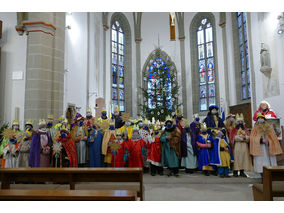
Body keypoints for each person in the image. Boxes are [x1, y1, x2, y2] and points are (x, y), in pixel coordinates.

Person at [250, 113, 282, 179]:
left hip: (268, 148)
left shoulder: (269, 127)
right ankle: (263, 178)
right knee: (261, 163)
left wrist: (269, 141)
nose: (260, 119)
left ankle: (272, 177)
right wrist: (261, 140)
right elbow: (253, 138)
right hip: (260, 148)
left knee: (270, 162)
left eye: (261, 118)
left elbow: (273, 137)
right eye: (259, 118)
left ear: (264, 119)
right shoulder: (255, 128)